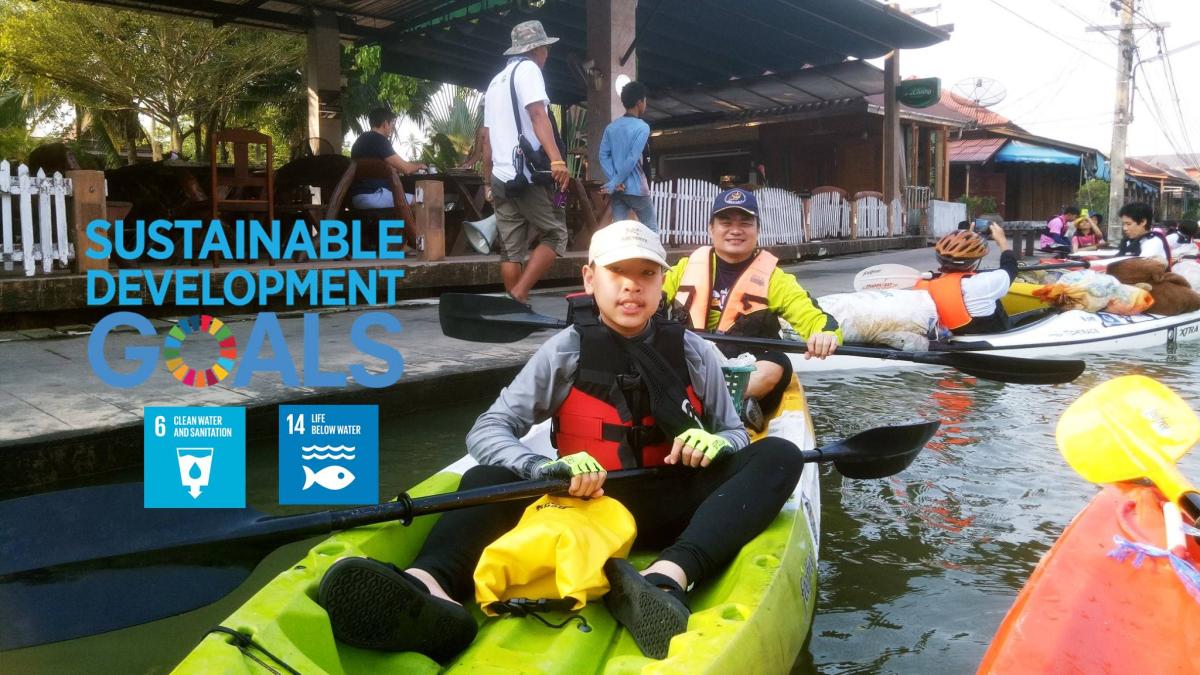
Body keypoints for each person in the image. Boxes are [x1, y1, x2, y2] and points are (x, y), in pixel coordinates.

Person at [317, 220, 805, 661]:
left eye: (646, 274)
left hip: (674, 503)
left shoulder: (693, 350)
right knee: (486, 474)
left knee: (780, 455)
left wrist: (719, 444)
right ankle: (429, 588)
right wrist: (539, 469)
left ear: (662, 284)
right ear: (591, 280)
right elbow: (487, 430)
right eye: (618, 273)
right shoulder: (565, 351)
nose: (632, 285)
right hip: (581, 502)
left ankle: (664, 579)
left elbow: (734, 429)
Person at [662, 188, 840, 431]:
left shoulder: (776, 279)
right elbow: (651, 303)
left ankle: (727, 407)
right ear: (711, 229)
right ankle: (700, 406)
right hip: (692, 359)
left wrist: (825, 335)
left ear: (757, 230)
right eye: (725, 222)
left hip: (749, 367)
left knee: (778, 364)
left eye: (745, 223)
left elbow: (816, 318)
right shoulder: (682, 269)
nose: (735, 230)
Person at [481, 20, 571, 304]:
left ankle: (514, 308)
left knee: (511, 248)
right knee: (556, 235)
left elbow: (486, 138)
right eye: (546, 49)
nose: (547, 55)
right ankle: (519, 293)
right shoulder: (529, 70)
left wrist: (487, 181)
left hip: (502, 176)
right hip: (528, 174)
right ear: (537, 49)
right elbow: (537, 114)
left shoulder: (495, 81)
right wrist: (557, 161)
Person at [916, 222, 1017, 335]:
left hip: (953, 336)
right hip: (992, 339)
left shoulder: (926, 284)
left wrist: (968, 237)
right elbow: (1011, 267)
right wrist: (1002, 241)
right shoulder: (983, 283)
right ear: (974, 264)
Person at [599, 81, 657, 231]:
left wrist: (614, 181)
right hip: (637, 188)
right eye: (645, 101)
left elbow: (603, 155)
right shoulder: (643, 127)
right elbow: (632, 158)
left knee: (620, 230)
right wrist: (615, 181)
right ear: (639, 103)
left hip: (619, 190)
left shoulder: (611, 128)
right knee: (651, 228)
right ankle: (654, 255)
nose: (645, 104)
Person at [348, 107, 427, 210]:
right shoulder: (380, 140)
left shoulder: (359, 142)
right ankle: (415, 227)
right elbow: (406, 169)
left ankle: (401, 226)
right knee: (421, 201)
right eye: (392, 125)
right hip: (375, 194)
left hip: (357, 197)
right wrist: (420, 165)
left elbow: (376, 168)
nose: (392, 129)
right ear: (385, 124)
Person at [1115, 202, 1171, 267]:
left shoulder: (1153, 242)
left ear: (1143, 222)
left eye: (1128, 224)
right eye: (1123, 224)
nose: (1124, 228)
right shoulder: (1129, 241)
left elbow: (1139, 268)